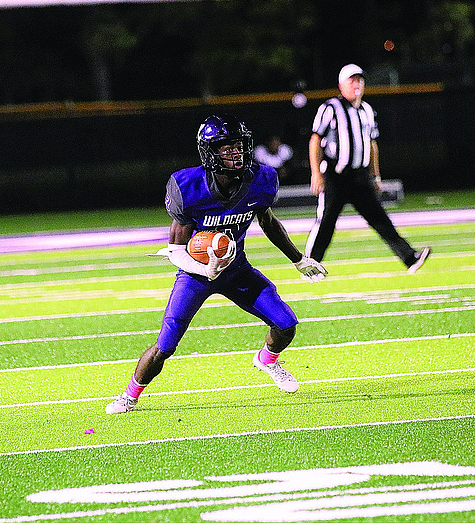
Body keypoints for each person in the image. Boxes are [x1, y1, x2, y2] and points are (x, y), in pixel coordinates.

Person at [106, 114, 328, 414]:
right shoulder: (189, 187)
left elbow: (269, 223)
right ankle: (129, 396)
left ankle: (266, 360)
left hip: (236, 270)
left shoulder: (260, 181)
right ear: (210, 153)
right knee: (165, 346)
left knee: (286, 324)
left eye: (239, 146)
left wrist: (298, 259)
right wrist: (203, 269)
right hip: (195, 274)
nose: (236, 152)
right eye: (226, 148)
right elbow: (174, 249)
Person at [305, 63, 431, 273]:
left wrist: (376, 175)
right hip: (336, 175)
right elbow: (315, 140)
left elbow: (372, 145)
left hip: (360, 176)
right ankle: (310, 264)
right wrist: (316, 173)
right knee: (326, 221)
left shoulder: (367, 110)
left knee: (380, 218)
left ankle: (409, 258)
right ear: (341, 85)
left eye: (360, 80)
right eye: (352, 80)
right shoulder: (330, 108)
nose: (357, 84)